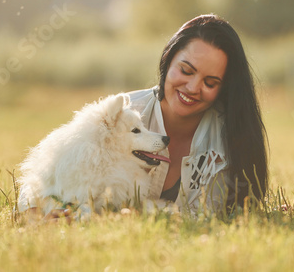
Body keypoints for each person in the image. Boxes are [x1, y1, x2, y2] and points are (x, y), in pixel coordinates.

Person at [24, 14, 268, 221]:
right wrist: (39, 216)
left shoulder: (231, 138)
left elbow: (238, 210)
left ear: (223, 89)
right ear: (168, 59)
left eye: (210, 82)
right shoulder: (125, 115)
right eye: (186, 70)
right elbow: (42, 177)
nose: (193, 87)